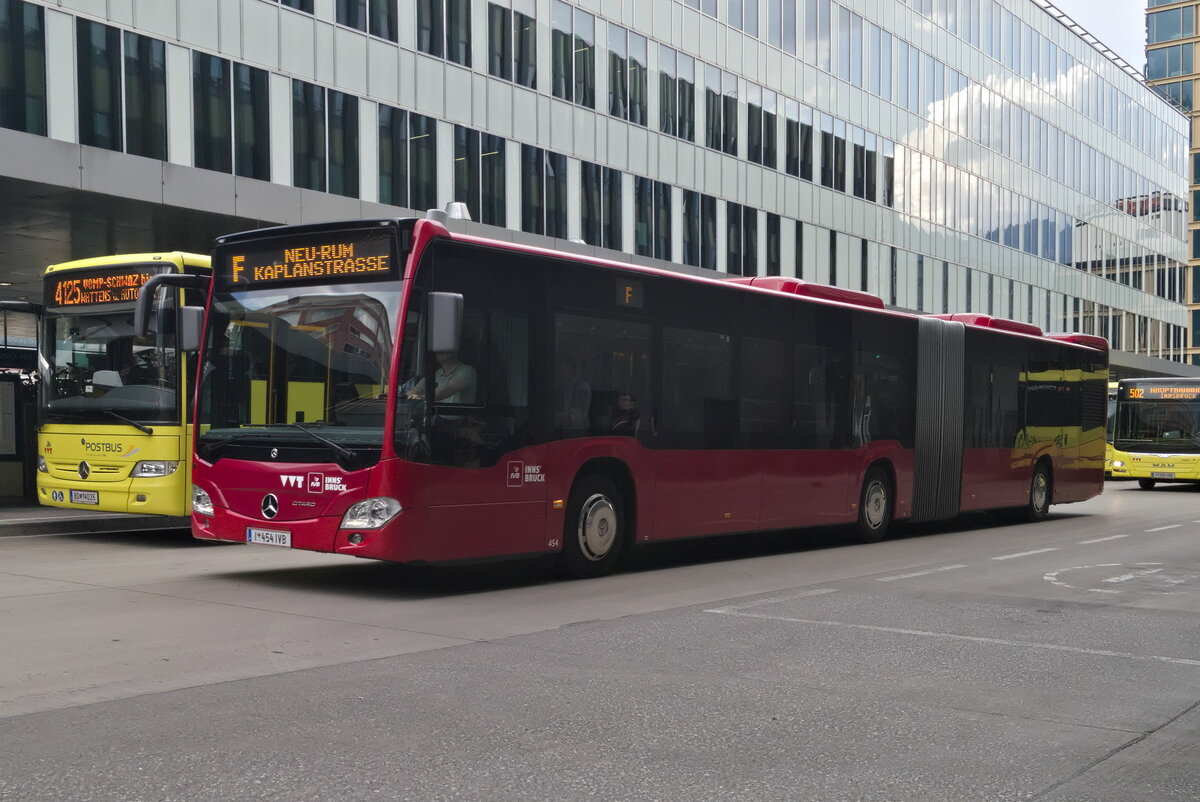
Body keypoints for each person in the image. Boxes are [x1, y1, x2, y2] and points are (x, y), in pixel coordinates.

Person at [404, 350, 477, 405]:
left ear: (455, 351)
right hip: (435, 419)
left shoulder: (468, 370)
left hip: (459, 422)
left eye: (446, 348)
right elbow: (419, 388)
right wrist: (407, 396)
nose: (441, 351)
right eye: (439, 349)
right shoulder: (436, 374)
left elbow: (449, 389)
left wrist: (424, 398)